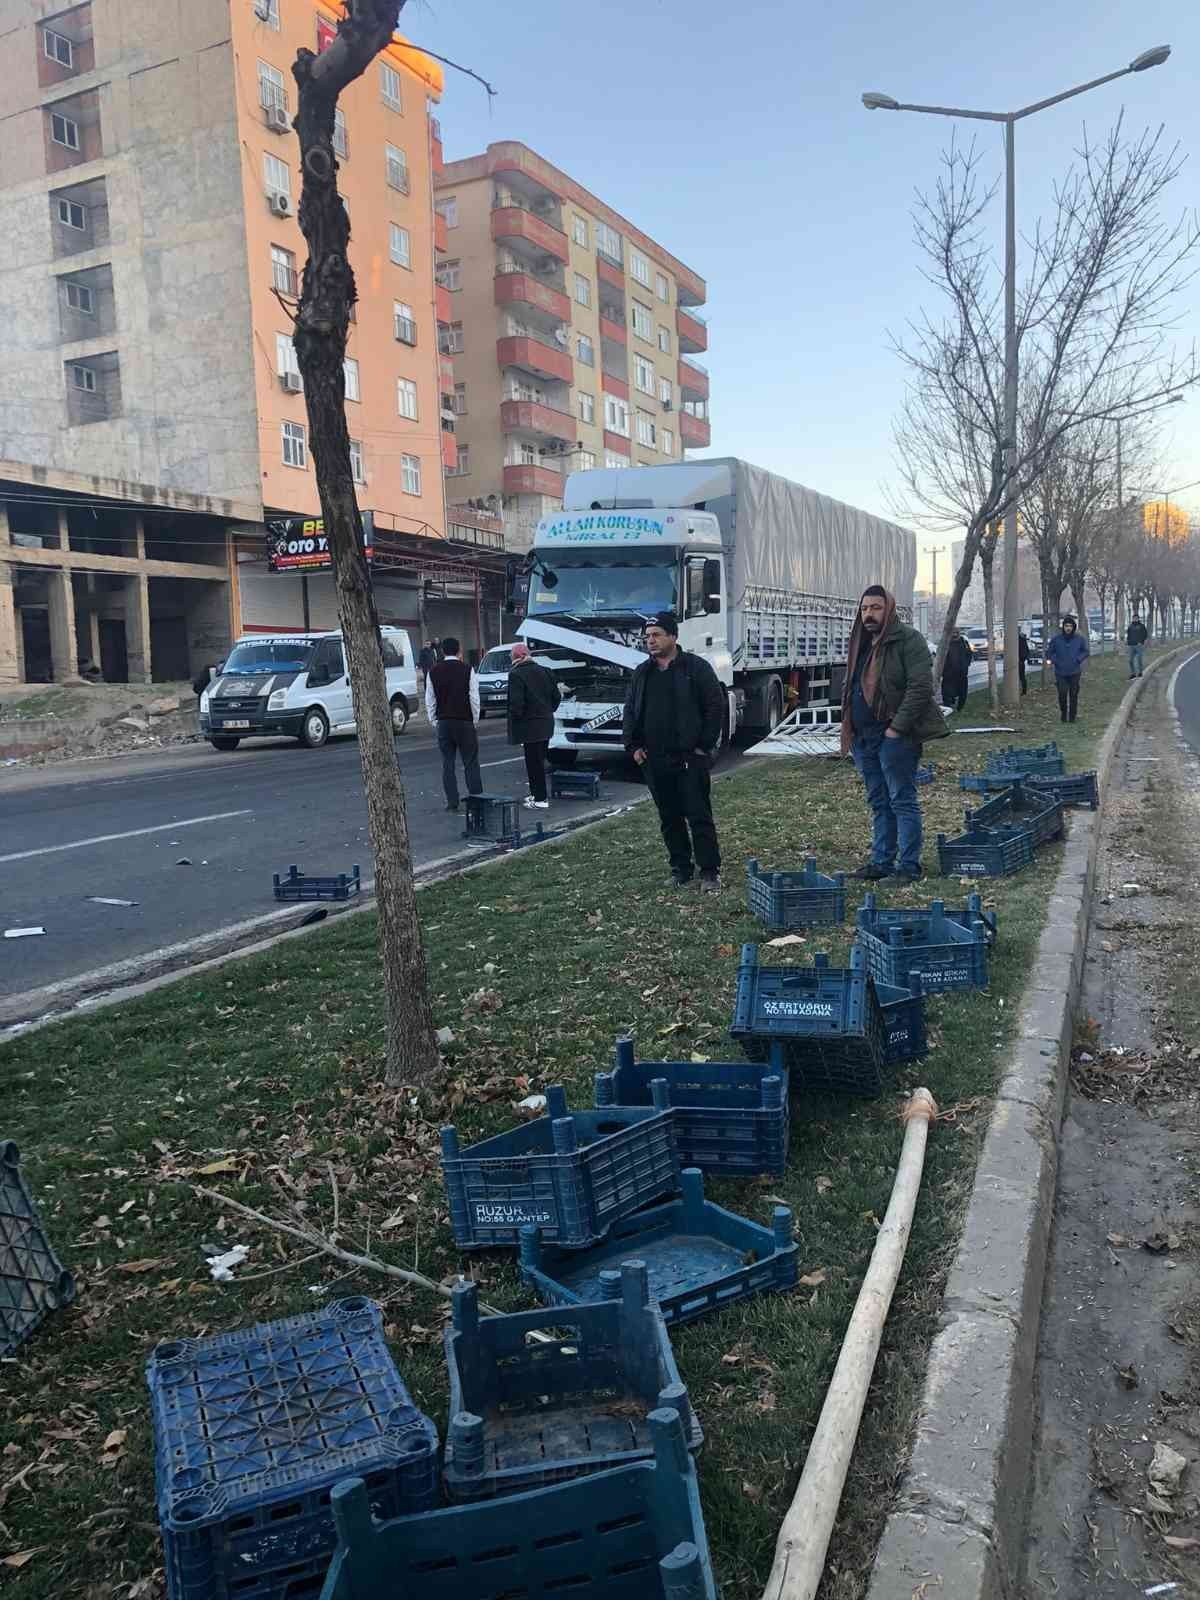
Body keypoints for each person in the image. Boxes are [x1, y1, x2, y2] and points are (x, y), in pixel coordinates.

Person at [841, 586, 949, 883]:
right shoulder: (861, 641)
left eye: (876, 608)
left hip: (894, 737)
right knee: (879, 801)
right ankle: (882, 863)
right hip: (863, 738)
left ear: (888, 609)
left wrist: (896, 729)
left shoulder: (908, 640)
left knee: (901, 800)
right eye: (864, 608)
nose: (869, 614)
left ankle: (908, 867)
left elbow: (921, 687)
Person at [623, 611, 725, 892]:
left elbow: (714, 707)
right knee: (669, 818)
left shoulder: (696, 668)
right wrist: (633, 746)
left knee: (698, 816)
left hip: (690, 758)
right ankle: (681, 869)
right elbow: (630, 709)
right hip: (655, 760)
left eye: (656, 635)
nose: (650, 641)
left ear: (673, 636)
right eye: (647, 636)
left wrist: (703, 746)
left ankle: (709, 872)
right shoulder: (642, 672)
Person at [425, 635, 482, 812]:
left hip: (444, 722)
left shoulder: (433, 672)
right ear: (459, 651)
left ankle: (452, 801)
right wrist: (474, 719)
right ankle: (476, 798)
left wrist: (434, 720)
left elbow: (430, 699)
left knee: (448, 763)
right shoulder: (467, 670)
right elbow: (474, 698)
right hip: (464, 721)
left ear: (442, 651)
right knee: (470, 762)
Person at [507, 641, 561, 810]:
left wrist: (517, 720)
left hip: (529, 726)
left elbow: (516, 704)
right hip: (546, 723)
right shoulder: (546, 671)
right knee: (539, 761)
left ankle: (540, 799)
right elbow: (557, 697)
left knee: (533, 764)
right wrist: (548, 711)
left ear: (517, 658)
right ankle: (536, 794)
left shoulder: (516, 674)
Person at [1045, 614, 1090, 723]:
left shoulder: (1079, 639)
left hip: (1075, 672)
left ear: (1073, 627)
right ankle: (1064, 714)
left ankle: (1072, 717)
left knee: (1073, 694)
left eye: (1070, 626)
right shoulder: (1056, 640)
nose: (1068, 628)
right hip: (1060, 672)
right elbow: (1049, 653)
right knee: (1062, 694)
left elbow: (1085, 651)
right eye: (1066, 626)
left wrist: (1078, 659)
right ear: (1063, 627)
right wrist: (1055, 661)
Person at [940, 628, 972, 712]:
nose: (955, 634)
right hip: (948, 673)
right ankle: (948, 707)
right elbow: (940, 656)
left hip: (961, 673)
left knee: (962, 692)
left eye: (956, 633)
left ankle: (960, 708)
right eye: (953, 633)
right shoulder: (945, 643)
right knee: (947, 692)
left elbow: (969, 654)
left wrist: (966, 665)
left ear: (959, 633)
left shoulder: (964, 642)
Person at [1126, 614, 1149, 678]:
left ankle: (1140, 672)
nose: (1135, 619)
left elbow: (1145, 635)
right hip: (1131, 646)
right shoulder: (1130, 626)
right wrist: (1128, 643)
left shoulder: (1142, 626)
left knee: (1139, 660)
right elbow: (1128, 635)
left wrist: (1141, 642)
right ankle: (1133, 673)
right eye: (1134, 618)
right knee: (1130, 660)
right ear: (1132, 619)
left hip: (1139, 646)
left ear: (1138, 619)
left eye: (1136, 618)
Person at [1018, 629, 1030, 696]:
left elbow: (1026, 650)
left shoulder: (1019, 640)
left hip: (1019, 660)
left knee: (1021, 677)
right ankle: (1024, 691)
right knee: (1022, 677)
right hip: (1021, 661)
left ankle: (1023, 691)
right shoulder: (1023, 639)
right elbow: (1027, 650)